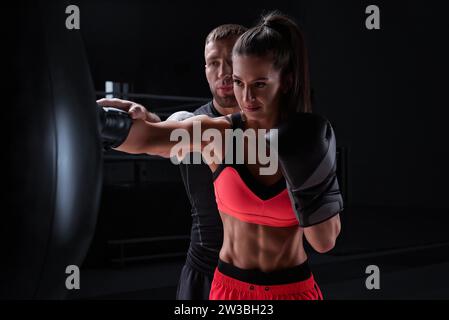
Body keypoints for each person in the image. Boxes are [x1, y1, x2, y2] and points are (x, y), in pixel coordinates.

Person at [99, 11, 343, 300]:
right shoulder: (215, 134)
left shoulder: (308, 140)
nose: (247, 97)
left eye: (260, 84)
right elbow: (148, 139)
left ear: (286, 81)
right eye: (239, 82)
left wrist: (304, 169)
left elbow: (324, 241)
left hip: (293, 290)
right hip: (228, 290)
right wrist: (97, 121)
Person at [97, 24, 248, 300]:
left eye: (232, 61)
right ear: (205, 69)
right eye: (214, 62)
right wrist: (102, 121)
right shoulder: (191, 124)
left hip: (262, 274)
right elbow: (158, 136)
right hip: (204, 270)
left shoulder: (273, 125)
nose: (223, 71)